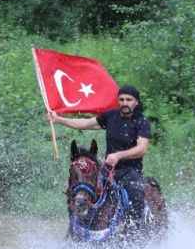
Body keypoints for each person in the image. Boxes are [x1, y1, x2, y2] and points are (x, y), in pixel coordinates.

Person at [46, 85, 151, 229]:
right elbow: (85, 123)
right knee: (78, 188)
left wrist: (119, 155)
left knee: (136, 195)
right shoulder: (111, 116)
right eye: (121, 99)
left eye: (129, 99)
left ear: (136, 102)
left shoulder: (142, 122)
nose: (125, 103)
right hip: (107, 170)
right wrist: (59, 119)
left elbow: (142, 148)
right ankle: (74, 229)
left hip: (131, 171)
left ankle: (135, 231)